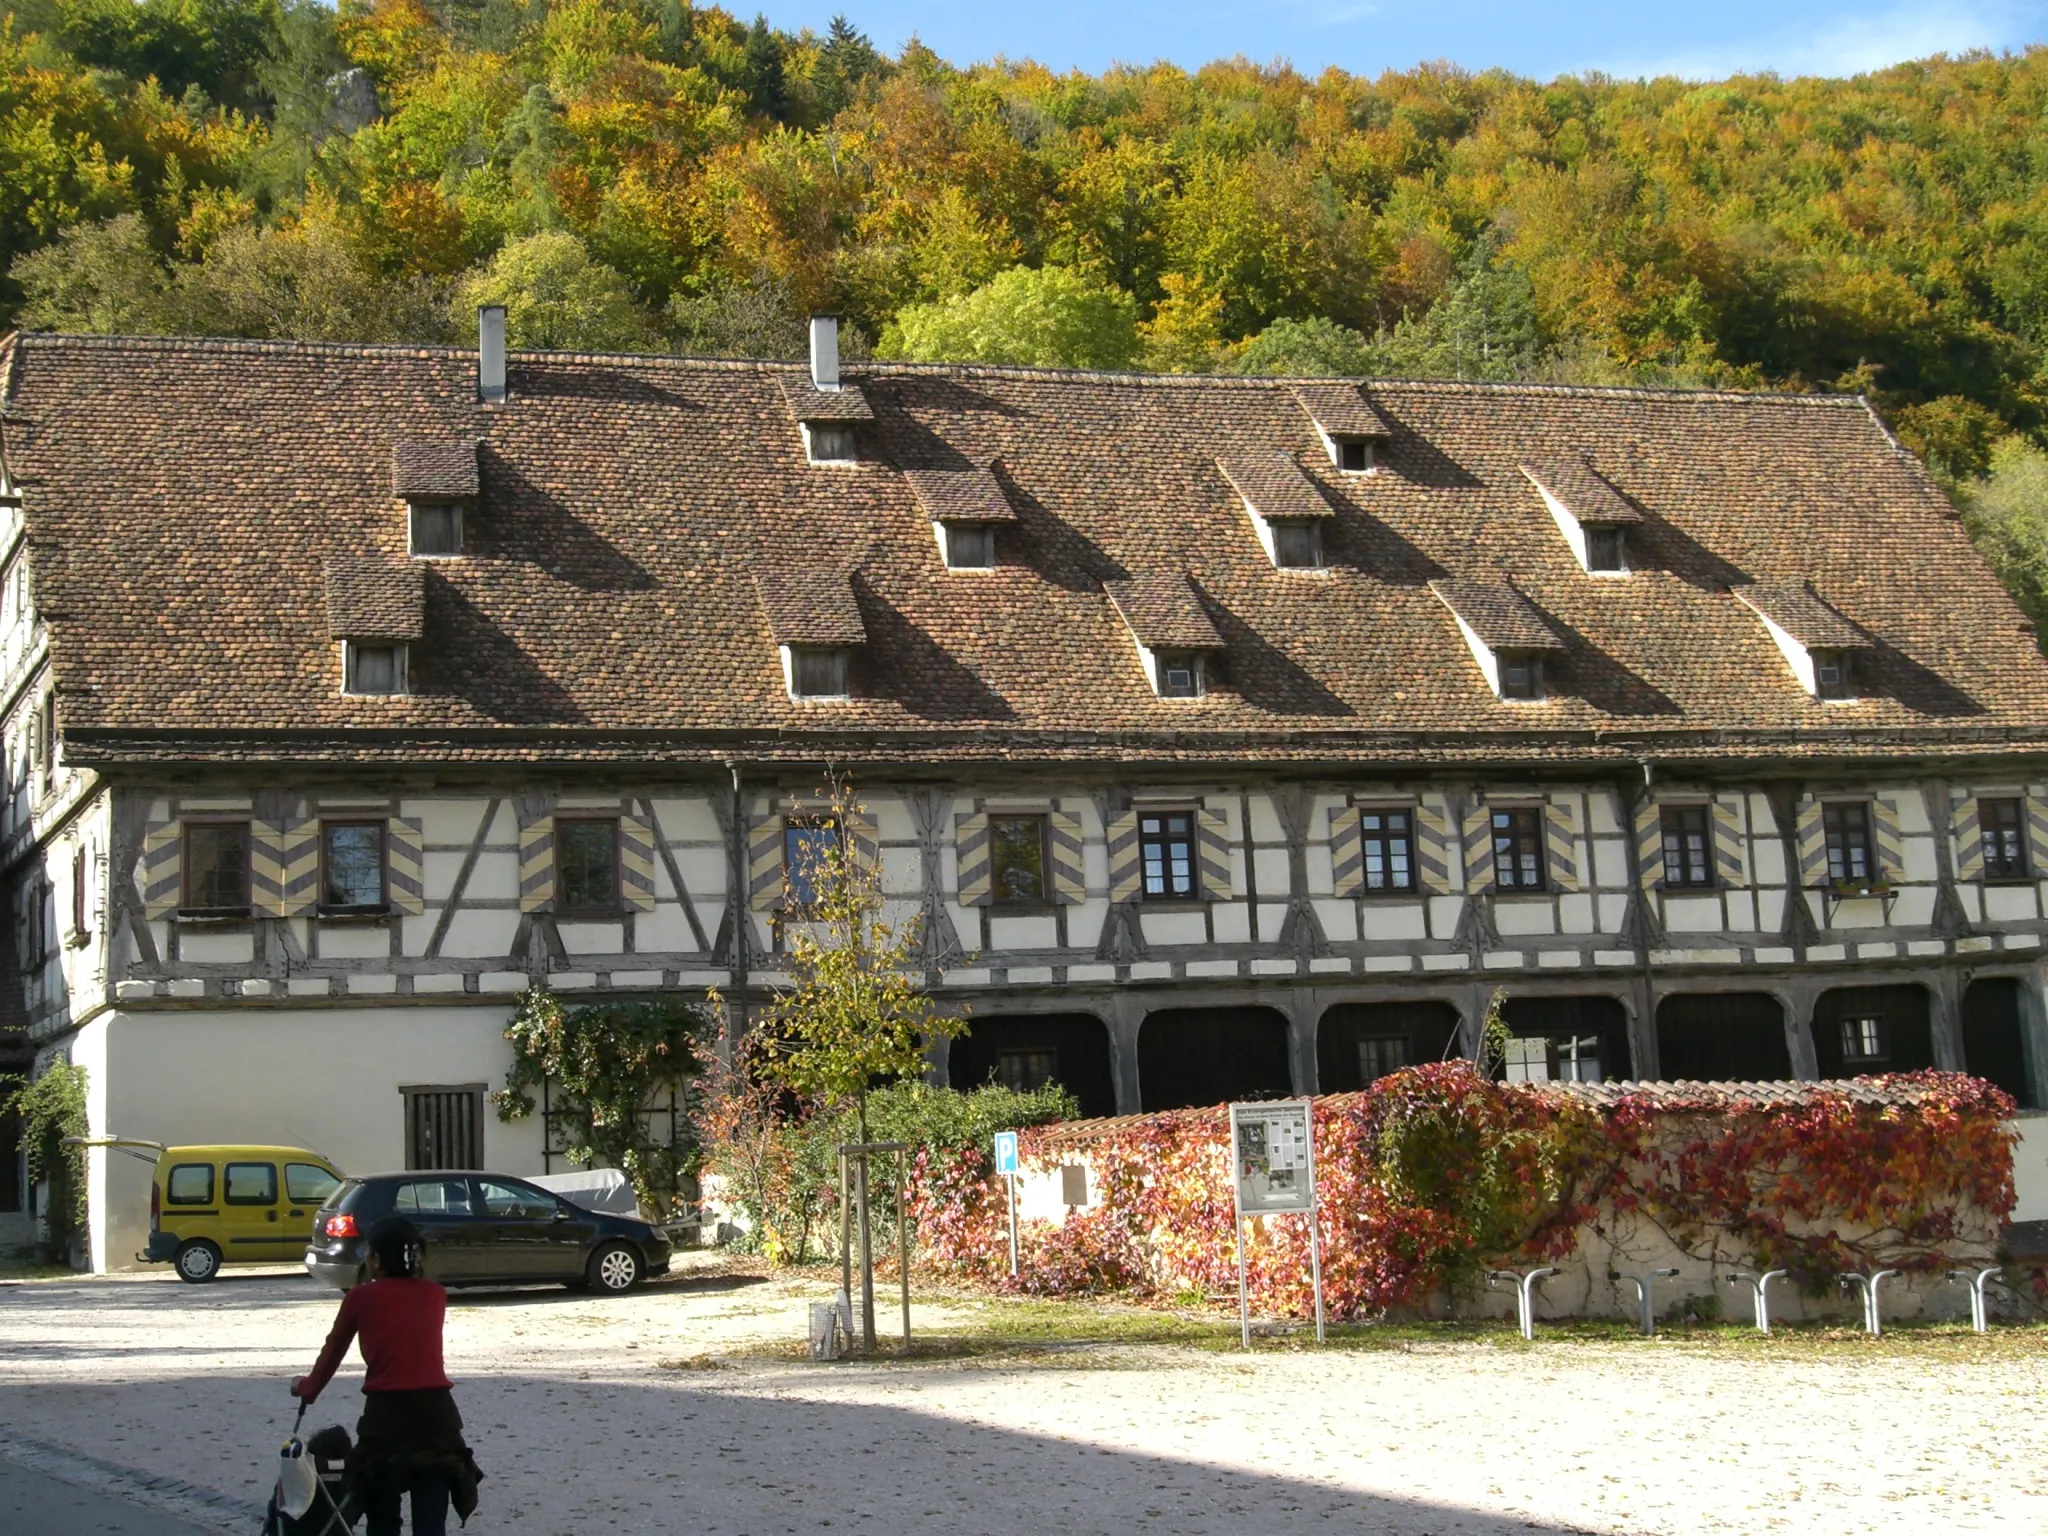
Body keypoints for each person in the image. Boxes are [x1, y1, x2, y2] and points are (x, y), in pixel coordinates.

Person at [292, 1217, 482, 1534]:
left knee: (382, 1522)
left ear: (376, 1259)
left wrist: (307, 1388)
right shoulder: (435, 1294)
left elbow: (332, 1352)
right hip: (437, 1421)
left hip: (386, 1421)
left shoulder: (360, 1298)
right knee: (431, 1526)